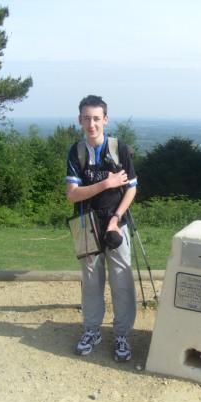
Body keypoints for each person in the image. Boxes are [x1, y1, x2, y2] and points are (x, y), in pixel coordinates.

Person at [66, 95, 137, 361]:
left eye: (96, 118)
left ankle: (121, 335)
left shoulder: (120, 149)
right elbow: (72, 194)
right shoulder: (77, 151)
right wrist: (106, 184)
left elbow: (131, 189)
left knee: (122, 280)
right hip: (85, 225)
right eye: (86, 118)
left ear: (105, 119)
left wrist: (116, 219)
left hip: (115, 223)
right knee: (91, 282)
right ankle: (92, 330)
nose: (91, 124)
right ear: (80, 120)